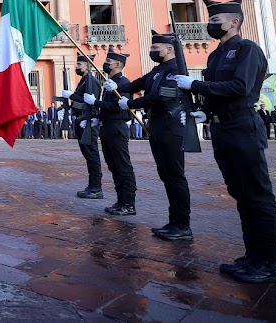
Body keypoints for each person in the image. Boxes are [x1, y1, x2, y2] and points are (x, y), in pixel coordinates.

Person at [174, 0, 276, 283]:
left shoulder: (247, 49)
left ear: (234, 22)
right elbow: (216, 93)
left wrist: (194, 84)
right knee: (241, 195)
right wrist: (203, 111)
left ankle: (267, 262)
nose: (211, 23)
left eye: (217, 18)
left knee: (257, 195)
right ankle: (252, 256)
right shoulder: (216, 55)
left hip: (242, 126)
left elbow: (240, 87)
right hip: (222, 129)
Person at [107, 31, 192, 240]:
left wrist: (132, 104)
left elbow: (160, 96)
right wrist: (116, 85)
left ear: (170, 49)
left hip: (172, 127)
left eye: (156, 48)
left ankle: (182, 224)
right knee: (166, 175)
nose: (152, 52)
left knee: (175, 176)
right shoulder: (157, 71)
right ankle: (174, 222)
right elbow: (135, 85)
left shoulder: (176, 70)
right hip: (158, 127)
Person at [86, 51, 136, 216]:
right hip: (107, 127)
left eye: (109, 61)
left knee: (123, 166)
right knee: (114, 166)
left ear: (118, 65)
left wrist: (96, 103)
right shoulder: (110, 83)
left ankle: (128, 203)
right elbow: (109, 107)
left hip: (117, 127)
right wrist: (97, 118)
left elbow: (118, 107)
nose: (105, 63)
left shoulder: (122, 83)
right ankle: (120, 200)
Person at [62, 53, 102, 199]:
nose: (76, 67)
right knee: (88, 155)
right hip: (81, 120)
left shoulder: (91, 81)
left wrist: (71, 96)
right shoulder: (84, 80)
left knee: (92, 154)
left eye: (79, 64)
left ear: (88, 66)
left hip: (88, 122)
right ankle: (92, 185)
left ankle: (96, 187)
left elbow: (91, 101)